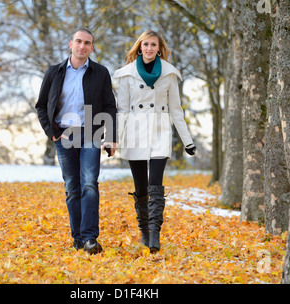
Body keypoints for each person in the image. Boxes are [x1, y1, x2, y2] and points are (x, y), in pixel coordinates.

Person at [113, 30, 196, 253]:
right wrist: (113, 139)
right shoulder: (126, 74)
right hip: (134, 132)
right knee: (141, 188)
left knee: (155, 185)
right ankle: (144, 232)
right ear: (139, 47)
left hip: (159, 131)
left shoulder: (169, 74)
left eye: (153, 45)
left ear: (159, 48)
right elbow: (121, 110)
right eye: (145, 44)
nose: (149, 48)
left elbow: (176, 110)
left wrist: (187, 141)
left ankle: (155, 233)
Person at [35, 29, 117, 254]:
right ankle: (78, 238)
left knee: (89, 183)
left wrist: (111, 136)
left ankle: (90, 238)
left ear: (92, 47)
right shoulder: (55, 72)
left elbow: (110, 105)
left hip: (91, 132)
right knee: (72, 187)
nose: (82, 46)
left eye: (87, 43)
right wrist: (51, 132)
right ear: (70, 44)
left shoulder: (100, 72)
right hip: (64, 135)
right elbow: (41, 105)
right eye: (78, 41)